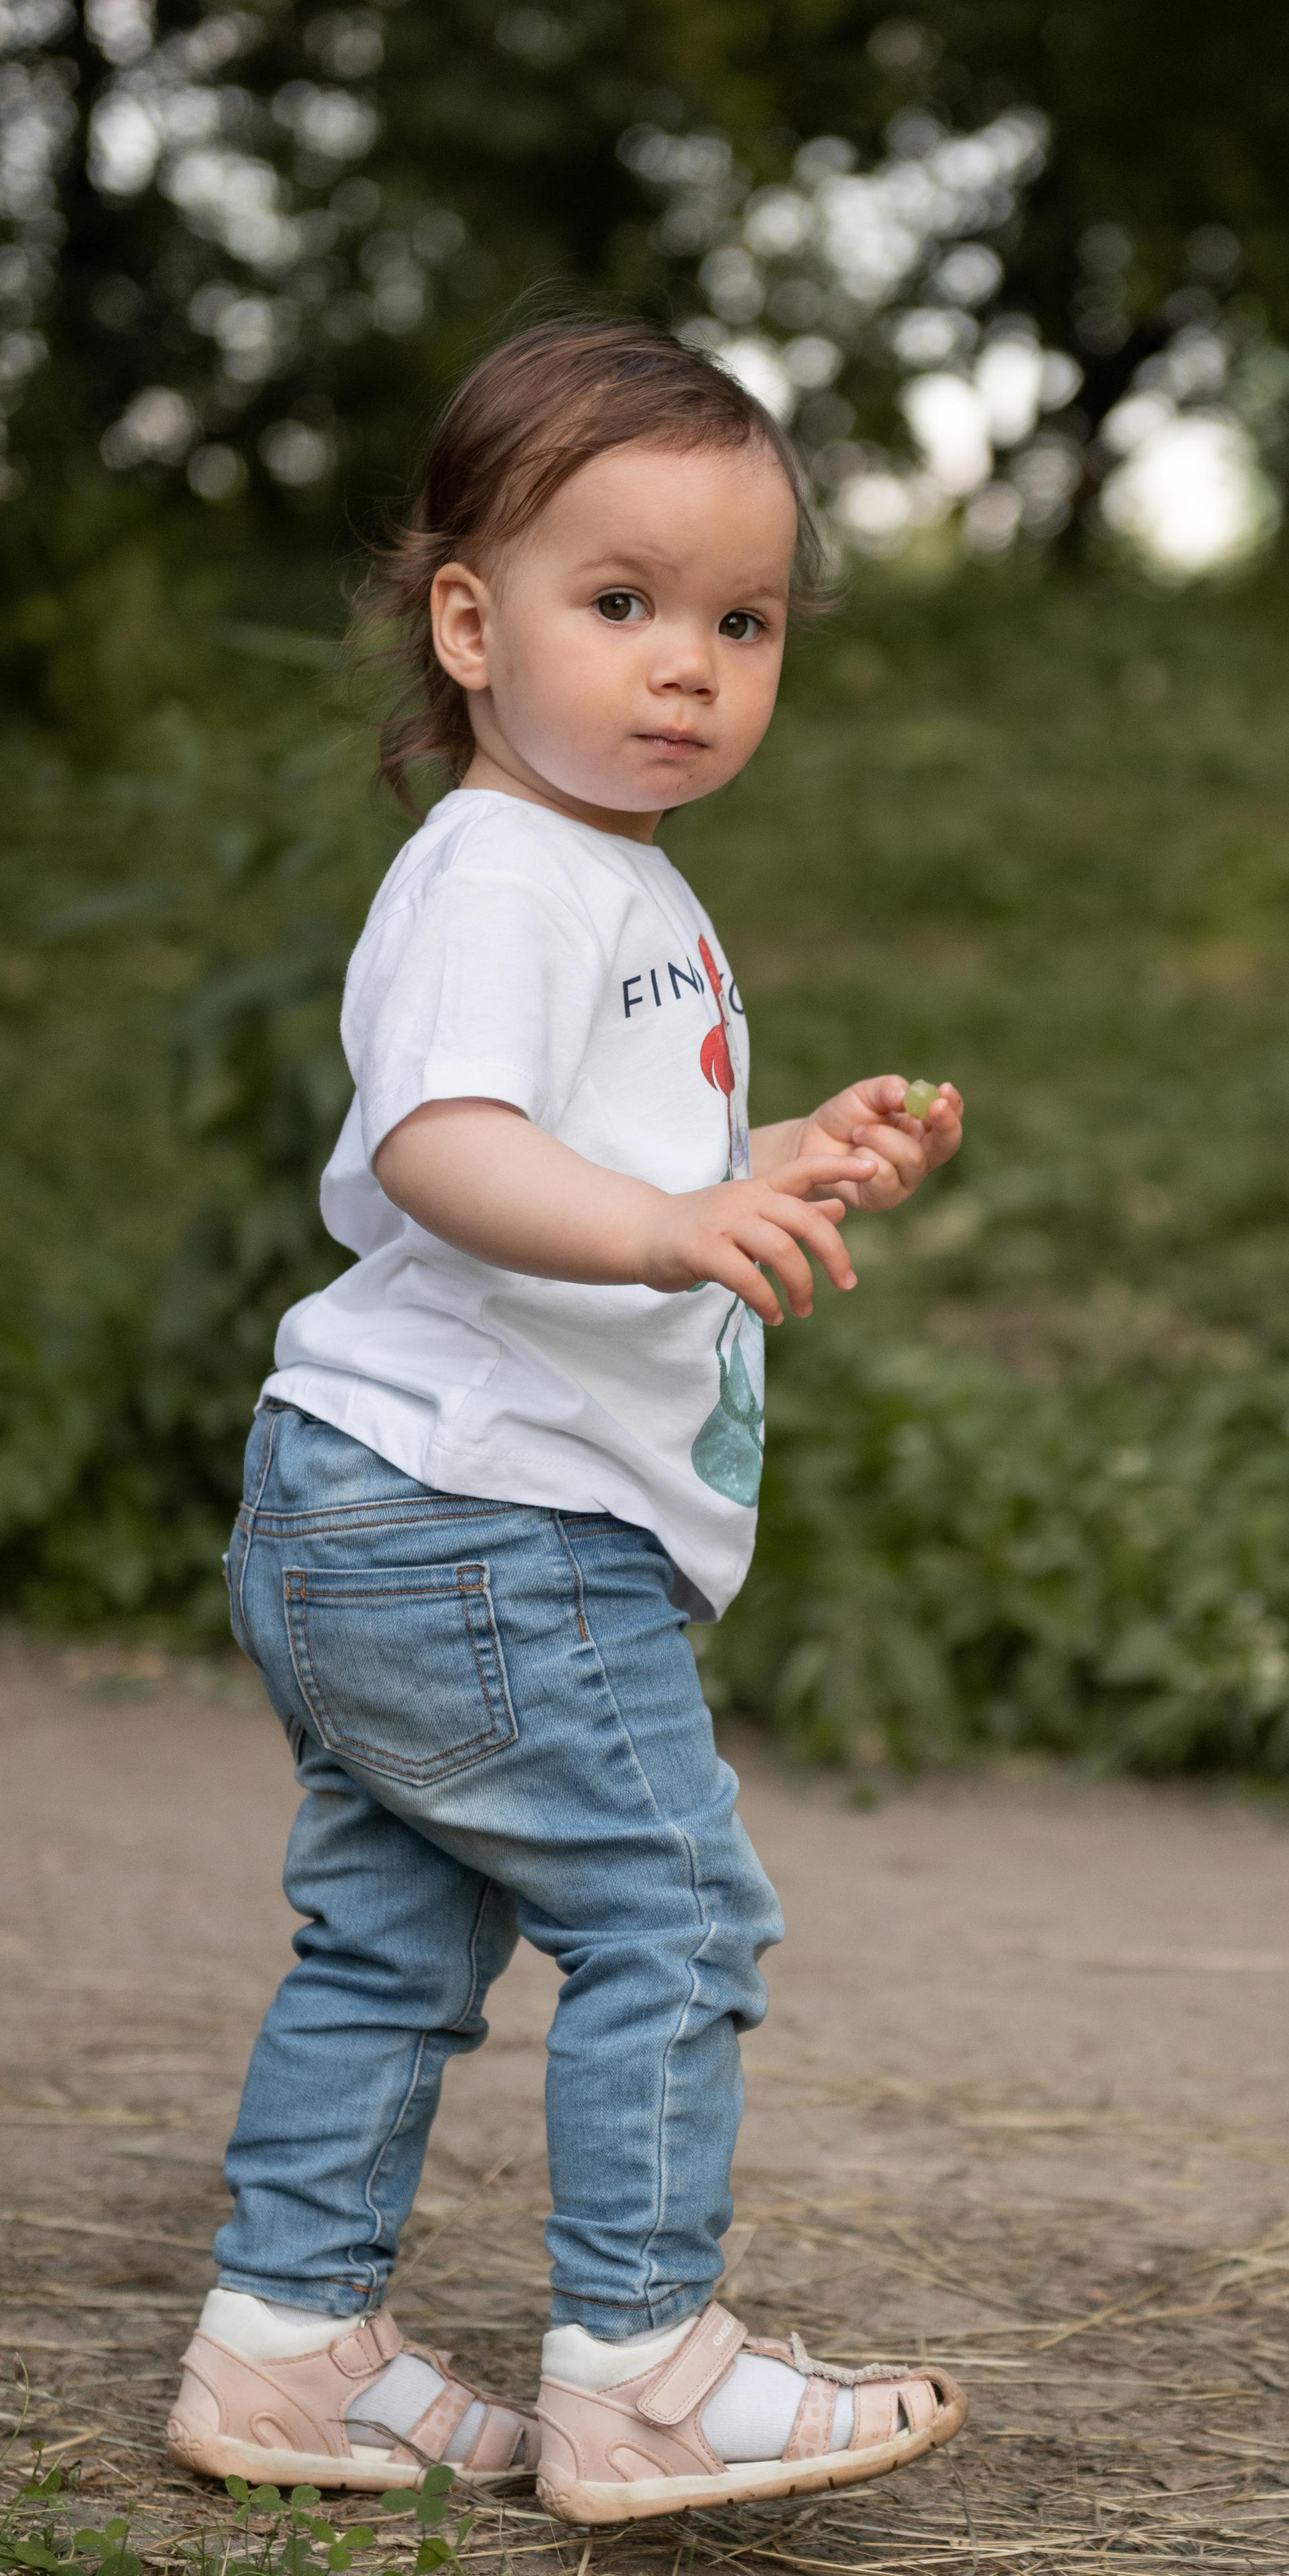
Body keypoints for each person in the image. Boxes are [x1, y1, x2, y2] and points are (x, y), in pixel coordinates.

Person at [164, 319, 968, 2527]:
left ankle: (285, 2337)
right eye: (620, 605)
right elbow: (443, 1141)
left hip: (390, 1506)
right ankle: (639, 2367)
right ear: (468, 617)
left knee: (396, 1938)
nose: (686, 665)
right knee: (674, 1914)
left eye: (742, 621)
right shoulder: (500, 869)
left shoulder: (614, 879)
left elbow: (595, 1142)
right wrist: (657, 1226)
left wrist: (774, 1156)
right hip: (478, 1519)